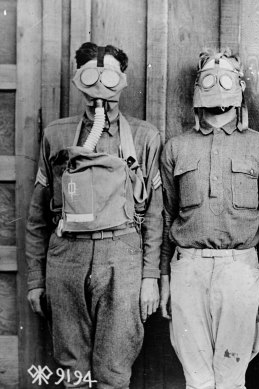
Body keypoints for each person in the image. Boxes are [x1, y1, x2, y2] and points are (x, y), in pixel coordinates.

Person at [26, 42, 163, 389]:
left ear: (123, 80)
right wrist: (35, 280)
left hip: (122, 257)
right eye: (90, 75)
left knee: (114, 370)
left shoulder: (145, 137)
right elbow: (37, 215)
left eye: (109, 76)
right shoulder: (56, 135)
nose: (99, 89)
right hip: (66, 258)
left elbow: (156, 213)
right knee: (74, 371)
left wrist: (149, 277)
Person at [159, 48, 259, 389]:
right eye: (208, 79)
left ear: (239, 87)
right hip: (188, 270)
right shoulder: (176, 148)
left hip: (240, 269)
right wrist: (165, 278)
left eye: (226, 77)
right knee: (196, 379)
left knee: (230, 378)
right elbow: (166, 214)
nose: (217, 85)